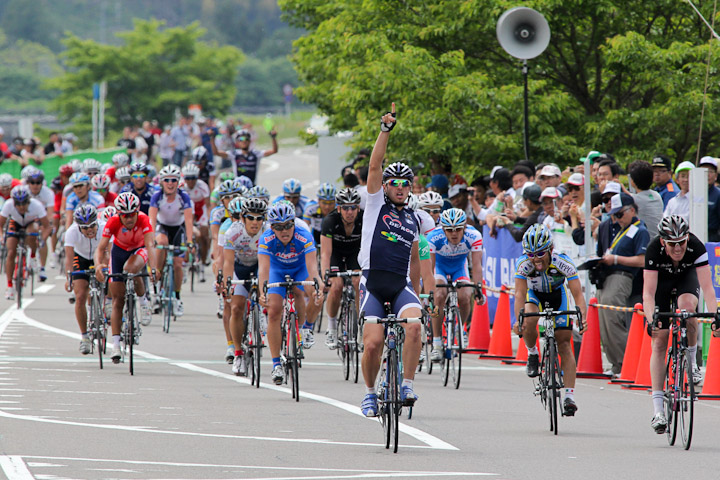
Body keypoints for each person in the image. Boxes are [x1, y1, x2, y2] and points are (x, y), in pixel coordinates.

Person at [358, 104, 423, 417]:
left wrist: (427, 291)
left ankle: (407, 383)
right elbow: (374, 167)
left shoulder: (417, 217)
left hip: (401, 284)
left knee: (414, 325)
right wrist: (384, 131)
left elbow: (421, 256)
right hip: (373, 282)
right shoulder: (374, 206)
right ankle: (370, 392)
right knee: (372, 344)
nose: (399, 188)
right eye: (393, 183)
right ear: (384, 187)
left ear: (410, 189)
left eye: (404, 184)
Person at [643, 215, 718, 434]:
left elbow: (708, 289)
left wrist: (716, 316)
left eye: (681, 243)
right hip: (661, 284)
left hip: (686, 279)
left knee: (687, 308)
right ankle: (658, 411)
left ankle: (692, 362)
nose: (678, 248)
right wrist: (651, 320)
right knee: (659, 340)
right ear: (662, 242)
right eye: (672, 244)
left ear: (687, 238)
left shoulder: (695, 246)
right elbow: (648, 293)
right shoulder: (652, 250)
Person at [513, 224, 588, 415]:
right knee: (530, 318)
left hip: (558, 296)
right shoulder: (523, 264)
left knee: (564, 343)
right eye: (531, 254)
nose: (535, 259)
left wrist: (582, 317)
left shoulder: (563, 262)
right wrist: (518, 320)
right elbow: (520, 294)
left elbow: (578, 294)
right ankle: (532, 353)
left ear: (550, 250)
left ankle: (569, 396)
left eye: (540, 253)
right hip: (534, 296)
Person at [257, 202, 324, 385]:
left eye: (288, 225)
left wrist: (318, 286)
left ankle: (305, 328)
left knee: (311, 292)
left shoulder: (304, 235)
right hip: (276, 270)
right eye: (279, 227)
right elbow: (263, 270)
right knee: (274, 311)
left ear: (294, 223)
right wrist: (262, 292)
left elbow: (312, 269)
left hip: (300, 268)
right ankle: (276, 363)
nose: (284, 230)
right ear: (272, 227)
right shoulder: (266, 238)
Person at [95, 193, 156, 362]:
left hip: (139, 249)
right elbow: (101, 248)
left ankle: (143, 302)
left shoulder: (144, 219)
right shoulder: (113, 221)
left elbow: (150, 245)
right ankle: (115, 346)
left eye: (132, 214)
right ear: (119, 215)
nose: (129, 219)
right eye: (125, 216)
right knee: (117, 300)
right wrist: (99, 265)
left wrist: (154, 268)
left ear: (137, 212)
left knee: (131, 269)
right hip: (119, 251)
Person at [596, 193, 650, 376]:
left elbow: (643, 260)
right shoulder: (622, 229)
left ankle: (627, 363)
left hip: (621, 276)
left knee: (614, 321)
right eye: (613, 215)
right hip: (609, 277)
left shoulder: (640, 230)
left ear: (632, 210)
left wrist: (616, 258)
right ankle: (616, 364)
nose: (616, 219)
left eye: (619, 214)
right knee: (604, 323)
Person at [426, 208, 483, 360]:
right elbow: (430, 269)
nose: (454, 233)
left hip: (459, 268)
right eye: (449, 230)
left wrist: (478, 288)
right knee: (439, 295)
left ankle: (460, 328)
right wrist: (429, 292)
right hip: (439, 267)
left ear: (464, 227)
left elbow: (477, 265)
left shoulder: (474, 235)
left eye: (458, 229)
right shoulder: (433, 237)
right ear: (443, 229)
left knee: (465, 296)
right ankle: (437, 342)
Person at [222, 197, 268, 376]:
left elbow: (268, 264)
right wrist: (227, 283)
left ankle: (262, 318)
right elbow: (227, 263)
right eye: (251, 218)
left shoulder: (267, 231)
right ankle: (238, 353)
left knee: (266, 296)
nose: (255, 222)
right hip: (240, 268)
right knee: (236, 308)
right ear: (243, 218)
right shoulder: (233, 232)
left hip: (260, 266)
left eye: (259, 218)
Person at [149, 164, 195, 317]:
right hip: (163, 227)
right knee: (161, 243)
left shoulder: (184, 197)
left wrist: (189, 242)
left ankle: (177, 297)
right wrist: (151, 240)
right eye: (167, 180)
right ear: (162, 182)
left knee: (177, 263)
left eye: (173, 180)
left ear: (178, 182)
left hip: (178, 228)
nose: (170, 183)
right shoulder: (157, 196)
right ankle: (157, 283)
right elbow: (152, 220)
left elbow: (189, 221)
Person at [320, 188, 363, 348]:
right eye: (345, 208)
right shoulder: (330, 221)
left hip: (355, 254)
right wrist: (326, 276)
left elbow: (370, 248)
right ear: (339, 208)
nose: (349, 211)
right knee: (336, 286)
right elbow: (325, 253)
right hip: (335, 254)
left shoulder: (364, 219)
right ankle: (331, 328)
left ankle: (361, 325)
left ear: (358, 208)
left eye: (353, 207)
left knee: (359, 283)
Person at [64, 205, 103, 355]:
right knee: (80, 295)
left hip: (99, 256)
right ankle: (85, 337)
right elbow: (69, 258)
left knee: (109, 278)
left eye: (92, 226)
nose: (90, 230)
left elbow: (110, 252)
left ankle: (106, 304)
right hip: (81, 258)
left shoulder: (104, 228)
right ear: (79, 227)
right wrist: (69, 278)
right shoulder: (71, 232)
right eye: (85, 228)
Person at [0, 187, 52, 299]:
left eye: (24, 203)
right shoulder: (8, 205)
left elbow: (47, 226)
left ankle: (32, 256)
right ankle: (10, 287)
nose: (21, 207)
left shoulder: (37, 206)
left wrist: (42, 240)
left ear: (29, 201)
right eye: (18, 204)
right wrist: (1, 237)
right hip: (16, 222)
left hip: (31, 222)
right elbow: (1, 225)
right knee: (11, 251)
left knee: (31, 232)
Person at [214, 128, 278, 185]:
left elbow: (274, 151)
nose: (244, 141)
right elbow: (216, 152)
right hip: (238, 187)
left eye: (246, 139)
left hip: (252, 187)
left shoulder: (256, 154)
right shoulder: (234, 154)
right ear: (237, 142)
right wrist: (211, 138)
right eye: (241, 139)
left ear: (250, 141)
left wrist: (273, 138)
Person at [182, 162, 211, 274]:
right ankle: (187, 258)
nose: (190, 181)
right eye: (187, 178)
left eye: (193, 178)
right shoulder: (181, 186)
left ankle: (203, 260)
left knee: (204, 234)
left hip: (200, 211)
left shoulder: (202, 185)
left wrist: (208, 220)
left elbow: (208, 205)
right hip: (187, 211)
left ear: (197, 177)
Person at [26, 168, 54, 281]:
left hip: (42, 216)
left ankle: (42, 267)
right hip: (28, 217)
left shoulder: (48, 193)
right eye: (32, 182)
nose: (35, 185)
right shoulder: (24, 191)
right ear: (28, 183)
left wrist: (46, 224)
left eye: (38, 183)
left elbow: (50, 213)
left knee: (42, 239)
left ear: (42, 183)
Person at [627, 160, 664, 240]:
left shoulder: (634, 200)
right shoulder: (657, 196)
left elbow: (624, 197)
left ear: (632, 181)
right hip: (658, 242)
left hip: (646, 243)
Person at [698, 156, 720, 242]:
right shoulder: (691, 193)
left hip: (712, 238)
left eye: (710, 171)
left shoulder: (718, 194)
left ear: (716, 175)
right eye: (704, 170)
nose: (707, 174)